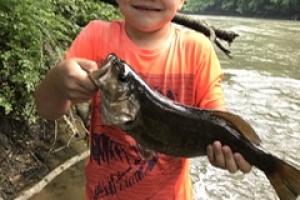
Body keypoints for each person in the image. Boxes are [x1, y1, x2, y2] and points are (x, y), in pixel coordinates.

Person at [35, 0, 252, 199]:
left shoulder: (197, 51)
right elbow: (48, 110)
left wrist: (230, 151)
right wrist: (57, 81)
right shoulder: (95, 36)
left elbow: (221, 124)